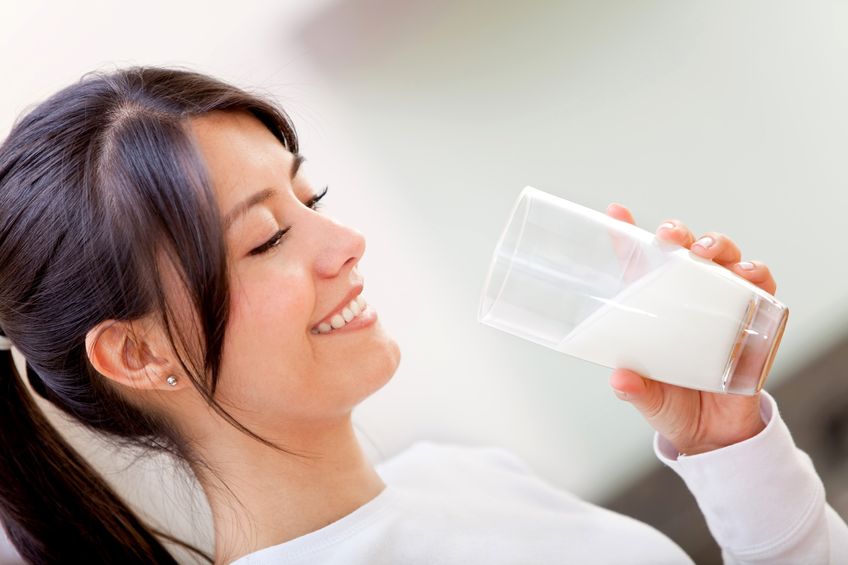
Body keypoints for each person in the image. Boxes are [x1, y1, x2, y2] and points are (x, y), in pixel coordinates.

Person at [0, 65, 844, 565]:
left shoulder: (461, 476)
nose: (345, 242)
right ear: (137, 353)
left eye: (311, 196)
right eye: (264, 239)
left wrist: (726, 447)